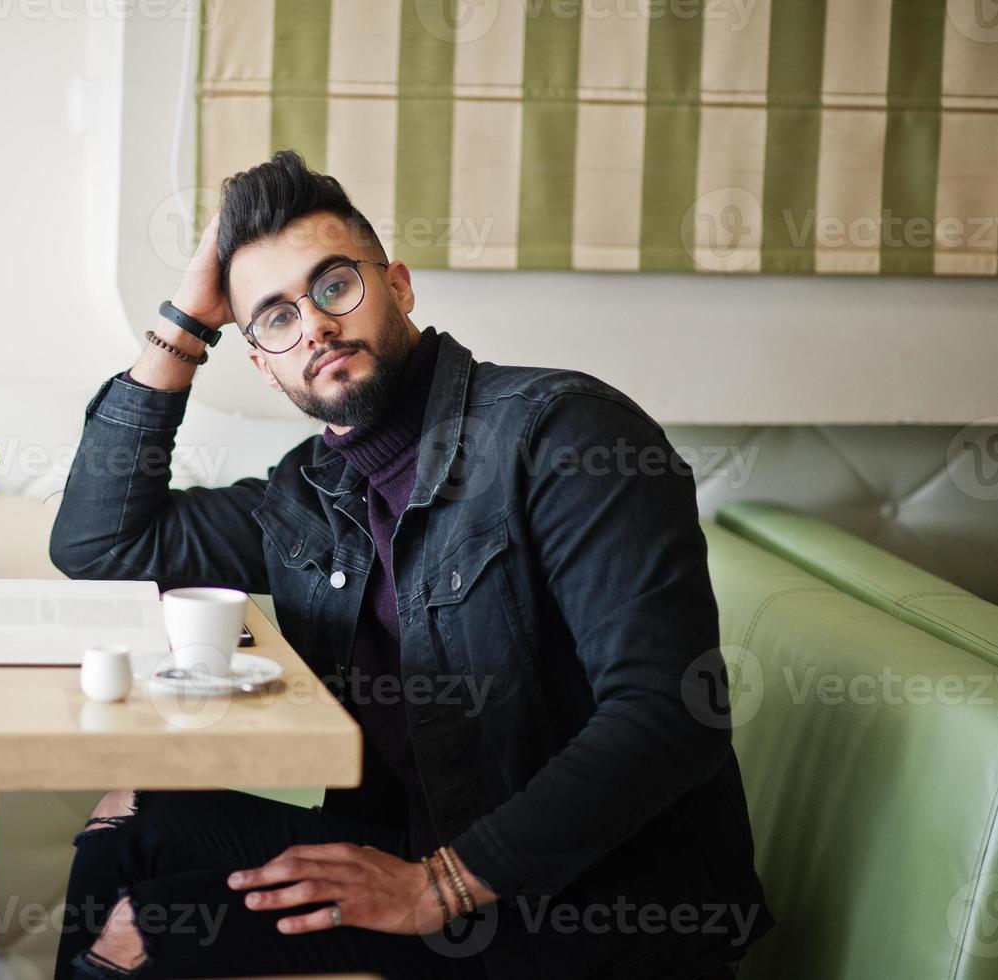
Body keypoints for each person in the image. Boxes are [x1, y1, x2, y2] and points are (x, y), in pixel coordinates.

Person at [47, 150, 773, 979]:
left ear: (396, 286)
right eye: (275, 318)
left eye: (333, 287)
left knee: (143, 931)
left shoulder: (563, 436)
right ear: (259, 362)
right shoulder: (310, 493)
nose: (313, 325)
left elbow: (667, 717)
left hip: (594, 906)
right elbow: (100, 544)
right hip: (420, 854)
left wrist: (440, 885)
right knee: (126, 824)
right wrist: (185, 318)